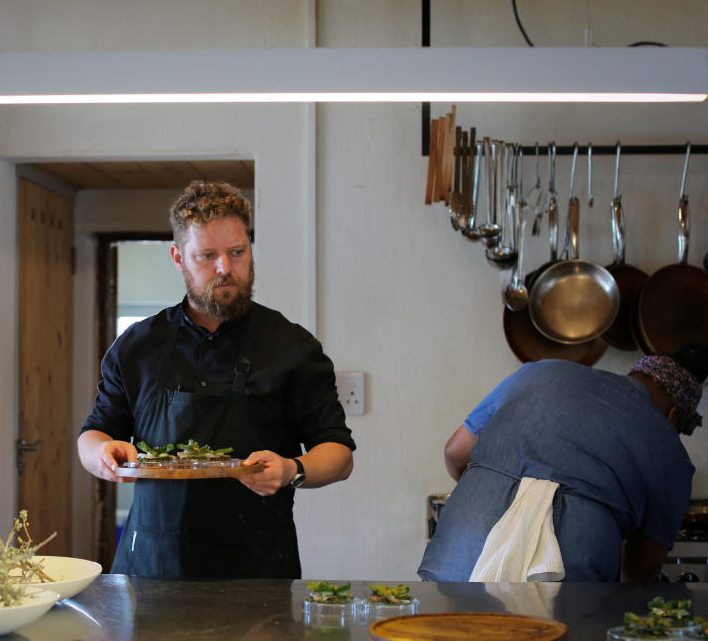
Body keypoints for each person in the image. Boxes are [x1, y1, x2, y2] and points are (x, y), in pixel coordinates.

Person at [77, 180, 355, 579]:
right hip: (152, 570)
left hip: (257, 574)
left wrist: (293, 468)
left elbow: (339, 455)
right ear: (178, 257)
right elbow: (93, 434)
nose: (226, 268)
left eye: (237, 252)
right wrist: (101, 454)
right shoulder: (137, 346)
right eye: (208, 256)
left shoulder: (292, 346)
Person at [418, 346, 708, 583]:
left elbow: (455, 452)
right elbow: (637, 574)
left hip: (456, 555)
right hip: (566, 583)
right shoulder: (671, 454)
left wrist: (490, 493)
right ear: (673, 416)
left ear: (637, 373)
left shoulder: (539, 372)